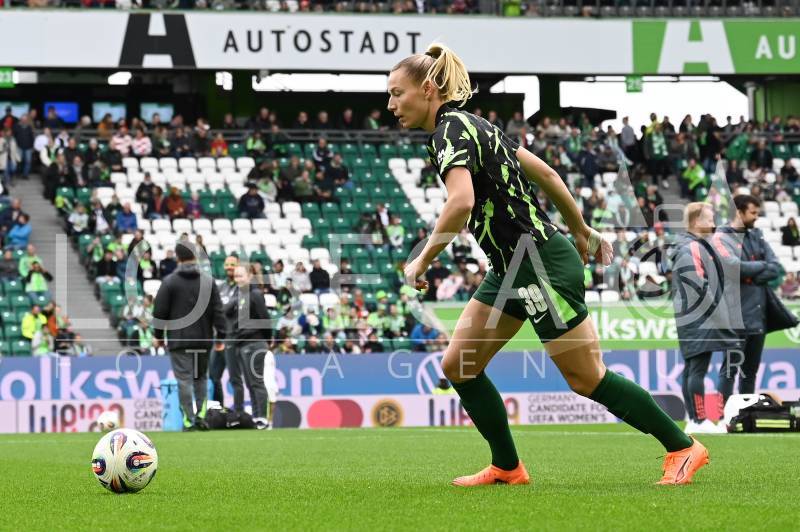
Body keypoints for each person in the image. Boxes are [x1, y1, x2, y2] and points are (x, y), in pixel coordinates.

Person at [389, 43, 706, 487]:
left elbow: (461, 202)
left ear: (427, 90)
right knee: (459, 365)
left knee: (587, 378)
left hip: (539, 264)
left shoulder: (448, 133)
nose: (391, 105)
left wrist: (422, 259)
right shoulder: (479, 126)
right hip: (512, 267)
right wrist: (580, 229)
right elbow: (548, 175)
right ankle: (507, 467)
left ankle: (683, 447)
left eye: (397, 93)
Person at [670, 203, 745, 434]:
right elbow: (700, 285)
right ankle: (699, 420)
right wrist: (719, 313)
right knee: (697, 368)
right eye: (710, 218)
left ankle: (694, 419)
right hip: (700, 318)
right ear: (696, 221)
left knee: (692, 368)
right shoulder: (692, 246)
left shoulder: (689, 245)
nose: (714, 223)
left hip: (691, 317)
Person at [713, 195, 783, 406]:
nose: (756, 216)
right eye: (753, 212)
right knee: (729, 371)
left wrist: (751, 275)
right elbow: (733, 267)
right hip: (735, 318)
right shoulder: (722, 237)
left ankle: (745, 415)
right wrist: (760, 267)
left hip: (757, 318)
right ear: (739, 212)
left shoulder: (757, 236)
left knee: (749, 373)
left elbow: (776, 267)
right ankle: (724, 416)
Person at [152, 242, 227, 431]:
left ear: (177, 258)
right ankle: (201, 417)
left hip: (179, 341)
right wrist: (221, 336)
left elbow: (159, 312)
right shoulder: (208, 282)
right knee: (201, 378)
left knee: (184, 380)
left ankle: (188, 420)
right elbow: (218, 312)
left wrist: (158, 336)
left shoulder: (170, 282)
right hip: (203, 340)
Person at [228, 265, 273, 430]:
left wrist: (267, 339)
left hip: (255, 342)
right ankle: (256, 417)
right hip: (243, 343)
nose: (238, 279)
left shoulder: (255, 294)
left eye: (241, 276)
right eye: (236, 276)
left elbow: (264, 318)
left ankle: (262, 418)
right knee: (250, 383)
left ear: (249, 276)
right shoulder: (239, 294)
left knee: (257, 382)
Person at [209, 255, 241, 408]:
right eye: (227, 264)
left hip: (234, 338)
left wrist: (218, 309)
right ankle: (218, 410)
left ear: (238, 267)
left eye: (232, 264)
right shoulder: (220, 287)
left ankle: (239, 411)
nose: (229, 267)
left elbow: (225, 308)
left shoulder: (242, 287)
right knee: (213, 376)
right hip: (218, 339)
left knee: (235, 379)